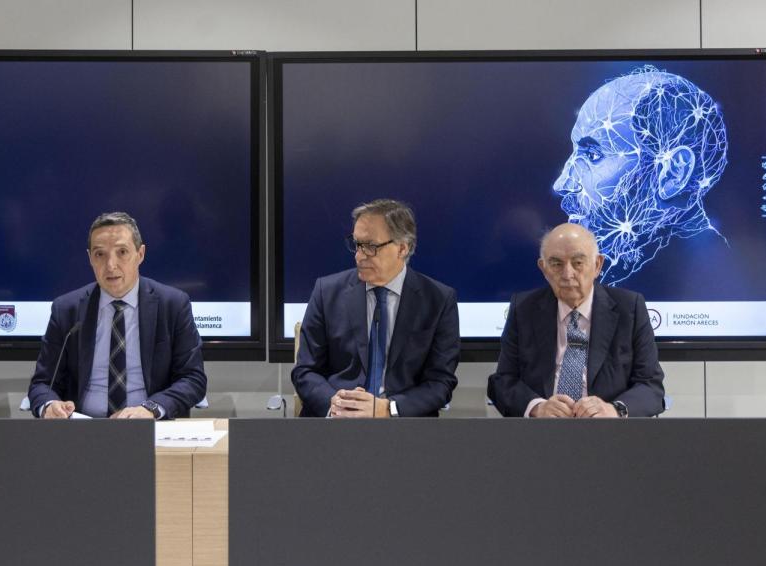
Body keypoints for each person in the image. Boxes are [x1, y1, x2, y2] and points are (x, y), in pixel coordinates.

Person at [553, 65, 728, 285]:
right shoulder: (613, 274)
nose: (561, 184)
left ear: (674, 172)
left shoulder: (717, 278)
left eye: (593, 155)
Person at [28, 212, 206, 420]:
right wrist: (49, 405)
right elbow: (42, 384)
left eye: (122, 252)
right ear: (90, 259)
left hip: (150, 428)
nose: (110, 265)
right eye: (100, 254)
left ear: (140, 254)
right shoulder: (66, 309)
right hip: (83, 432)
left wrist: (151, 408)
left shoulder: (173, 305)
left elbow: (193, 379)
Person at [292, 199, 459, 418]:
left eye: (370, 246)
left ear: (402, 248)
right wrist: (333, 404)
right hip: (335, 424)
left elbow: (441, 382)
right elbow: (305, 370)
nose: (358, 256)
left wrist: (389, 409)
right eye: (357, 244)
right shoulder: (326, 291)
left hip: (403, 427)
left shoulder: (438, 300)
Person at [488, 223, 665, 418]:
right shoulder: (523, 309)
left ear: (597, 265)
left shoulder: (630, 308)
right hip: (542, 434)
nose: (567, 274)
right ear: (543, 268)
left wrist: (614, 410)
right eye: (556, 264)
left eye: (578, 263)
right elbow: (502, 382)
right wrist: (538, 407)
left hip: (609, 435)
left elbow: (651, 386)